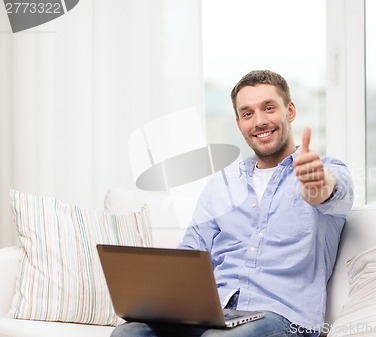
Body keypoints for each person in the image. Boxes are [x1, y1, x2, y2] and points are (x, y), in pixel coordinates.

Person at [111, 70, 354, 337]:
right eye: (248, 114)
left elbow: (331, 192)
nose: (260, 121)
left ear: (290, 111)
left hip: (283, 316)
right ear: (239, 123)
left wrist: (317, 185)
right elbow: (191, 255)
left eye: (269, 108)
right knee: (129, 333)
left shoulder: (323, 169)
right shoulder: (221, 186)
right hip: (216, 312)